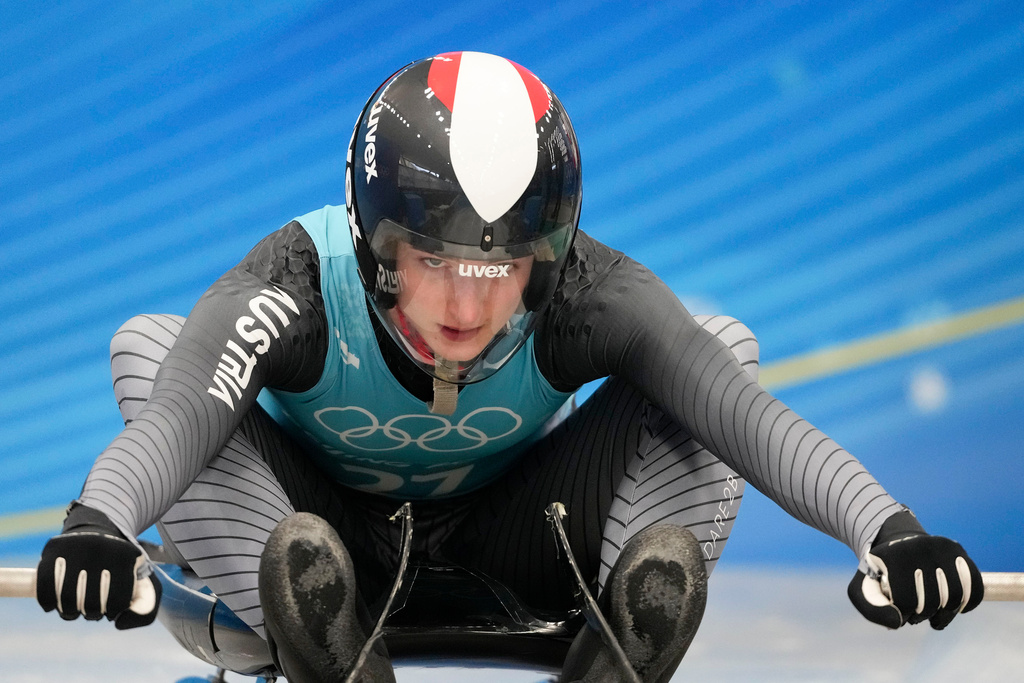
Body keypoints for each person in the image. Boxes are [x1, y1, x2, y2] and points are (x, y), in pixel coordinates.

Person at [35, 51, 983, 682]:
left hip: (527, 546)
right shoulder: (293, 281)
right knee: (154, 343)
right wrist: (101, 520)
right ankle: (322, 643)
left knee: (716, 342)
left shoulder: (590, 290)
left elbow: (746, 415)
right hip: (313, 546)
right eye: (434, 262)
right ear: (374, 244)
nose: (464, 308)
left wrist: (888, 530)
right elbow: (176, 421)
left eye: (500, 270)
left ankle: (615, 649)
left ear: (550, 255)